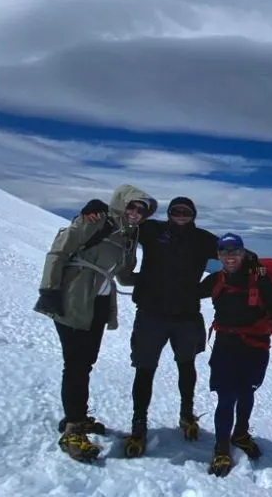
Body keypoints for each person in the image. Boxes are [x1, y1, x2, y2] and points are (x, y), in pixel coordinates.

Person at [34, 183, 157, 463]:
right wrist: (49, 290)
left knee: (85, 361)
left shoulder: (129, 235)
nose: (137, 212)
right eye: (133, 206)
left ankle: (75, 417)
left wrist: (156, 280)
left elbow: (125, 276)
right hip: (74, 296)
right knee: (76, 362)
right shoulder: (97, 219)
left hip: (98, 304)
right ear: (122, 203)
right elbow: (59, 250)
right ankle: (73, 430)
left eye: (143, 209)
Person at [120, 196, 221, 457]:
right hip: (151, 313)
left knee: (186, 366)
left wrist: (261, 274)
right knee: (145, 369)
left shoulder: (203, 239)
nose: (180, 215)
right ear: (169, 213)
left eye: (186, 212)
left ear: (193, 215)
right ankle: (139, 422)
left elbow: (234, 255)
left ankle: (187, 414)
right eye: (176, 211)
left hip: (185, 314)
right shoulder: (153, 230)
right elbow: (124, 225)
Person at [198, 233, 272, 477]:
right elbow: (188, 294)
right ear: (218, 255)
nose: (230, 257)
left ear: (243, 253)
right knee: (227, 396)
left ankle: (240, 433)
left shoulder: (259, 280)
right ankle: (221, 448)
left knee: (247, 390)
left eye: (235, 252)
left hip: (255, 345)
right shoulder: (215, 280)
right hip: (226, 346)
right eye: (224, 252)